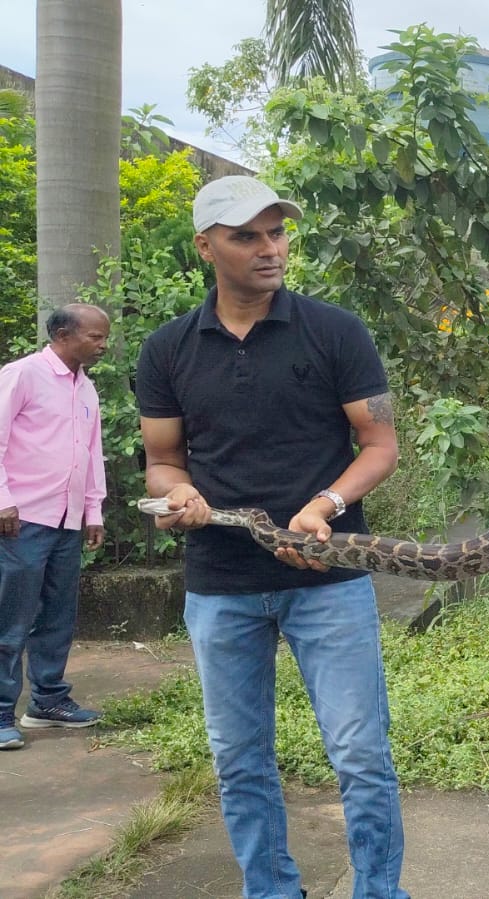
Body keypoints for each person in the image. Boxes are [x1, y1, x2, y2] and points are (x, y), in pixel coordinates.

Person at [135, 175, 408, 898]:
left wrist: (326, 502)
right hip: (222, 582)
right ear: (205, 246)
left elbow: (379, 444)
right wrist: (179, 493)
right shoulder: (166, 351)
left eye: (277, 233)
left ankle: (378, 890)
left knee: (359, 752)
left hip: (329, 579)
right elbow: (163, 462)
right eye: (246, 236)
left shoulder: (335, 330)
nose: (269, 249)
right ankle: (270, 889)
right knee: (239, 756)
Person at [0, 303, 111, 749]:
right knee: (12, 618)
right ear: (64, 335)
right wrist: (3, 500)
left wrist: (93, 510)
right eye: (95, 336)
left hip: (67, 520)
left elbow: (90, 451)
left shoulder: (86, 388)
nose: (103, 345)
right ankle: (1, 711)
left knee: (58, 614)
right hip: (22, 519)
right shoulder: (22, 375)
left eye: (104, 337)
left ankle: (47, 700)